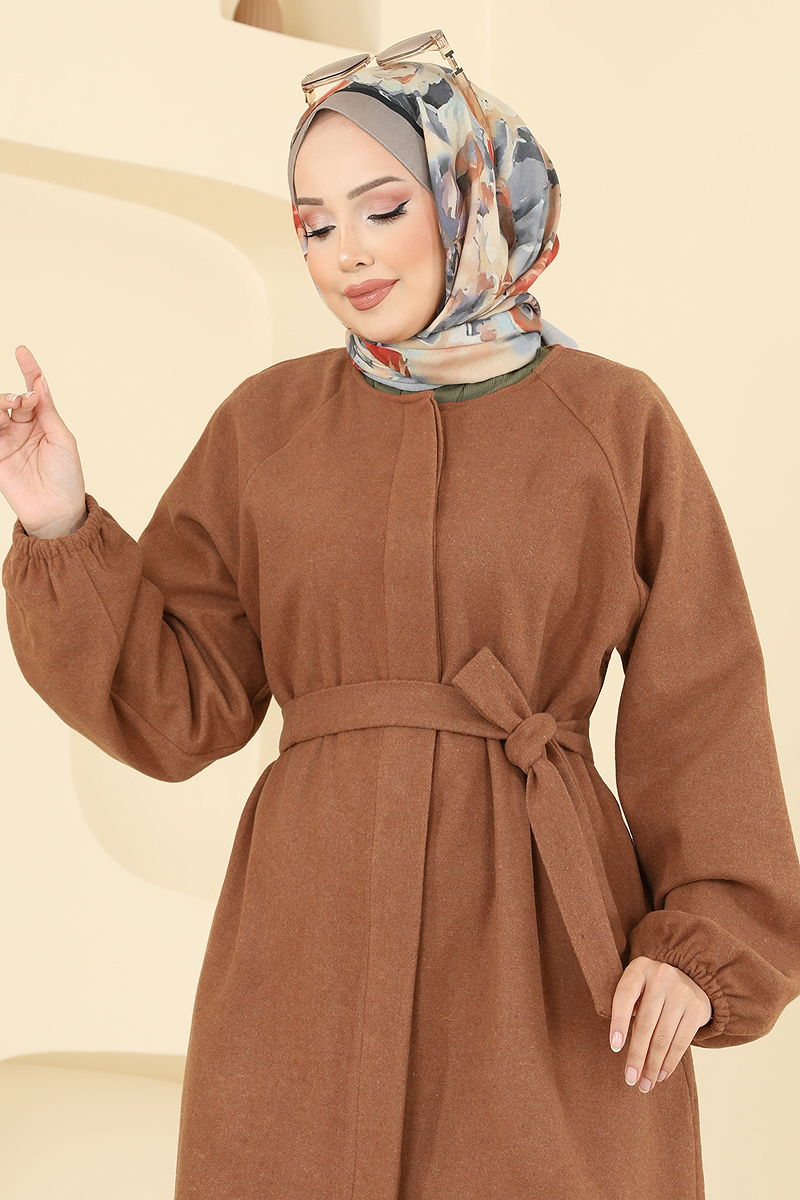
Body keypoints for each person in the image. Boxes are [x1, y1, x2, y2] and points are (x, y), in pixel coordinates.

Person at [2, 43, 800, 1200]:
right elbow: (181, 710)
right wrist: (60, 521)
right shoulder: (266, 426)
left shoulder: (610, 420)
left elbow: (702, 697)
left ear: (471, 194)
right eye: (313, 225)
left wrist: (702, 947)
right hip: (308, 938)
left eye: (382, 207)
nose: (347, 252)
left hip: (542, 940)